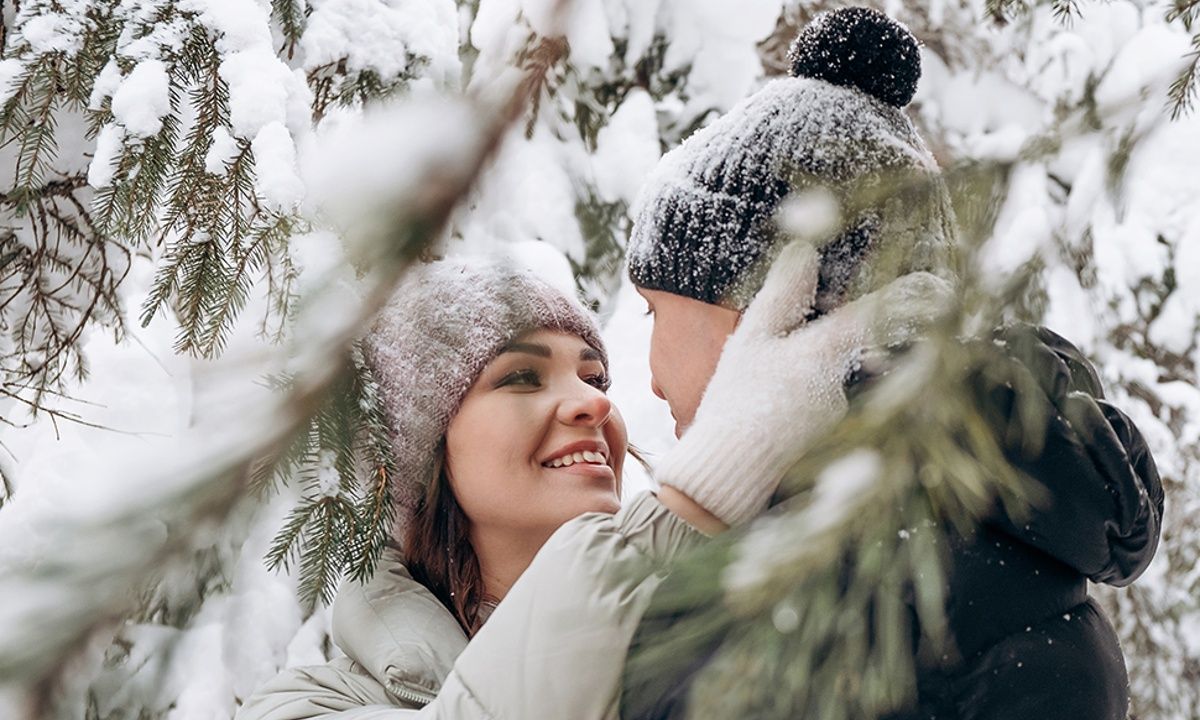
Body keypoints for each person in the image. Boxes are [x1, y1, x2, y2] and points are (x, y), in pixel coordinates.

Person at [241, 7, 1162, 720]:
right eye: (520, 375)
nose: (603, 400)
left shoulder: (774, 608)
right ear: (412, 456)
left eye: (599, 370)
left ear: (784, 319)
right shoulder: (319, 693)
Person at [237, 257, 631, 717]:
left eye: (594, 379)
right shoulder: (309, 705)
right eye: (523, 377)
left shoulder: (694, 644)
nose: (595, 403)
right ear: (419, 450)